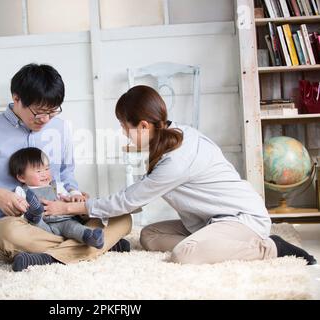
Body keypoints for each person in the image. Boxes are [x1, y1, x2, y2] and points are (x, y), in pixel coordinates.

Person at [43, 85, 317, 266]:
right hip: (208, 220)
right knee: (149, 236)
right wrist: (89, 205)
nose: (122, 133)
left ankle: (269, 248)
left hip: (242, 220)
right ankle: (212, 244)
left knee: (186, 254)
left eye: (123, 126)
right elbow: (138, 198)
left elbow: (129, 200)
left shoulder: (176, 158)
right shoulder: (171, 135)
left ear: (142, 126)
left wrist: (70, 206)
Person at [0, 63, 131, 272]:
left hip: (63, 215)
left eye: (52, 112)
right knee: (7, 234)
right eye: (38, 112)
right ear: (16, 98)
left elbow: (66, 174)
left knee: (122, 217)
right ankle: (97, 245)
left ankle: (47, 256)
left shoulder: (61, 128)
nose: (45, 119)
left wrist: (73, 194)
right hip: (15, 224)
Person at [9, 147, 104, 249]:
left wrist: (75, 196)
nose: (44, 174)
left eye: (47, 169)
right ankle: (35, 214)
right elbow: (19, 209)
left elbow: (67, 198)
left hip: (62, 220)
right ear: (22, 177)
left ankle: (90, 236)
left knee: (73, 227)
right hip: (41, 223)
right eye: (39, 171)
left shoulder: (56, 186)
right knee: (35, 225)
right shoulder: (21, 191)